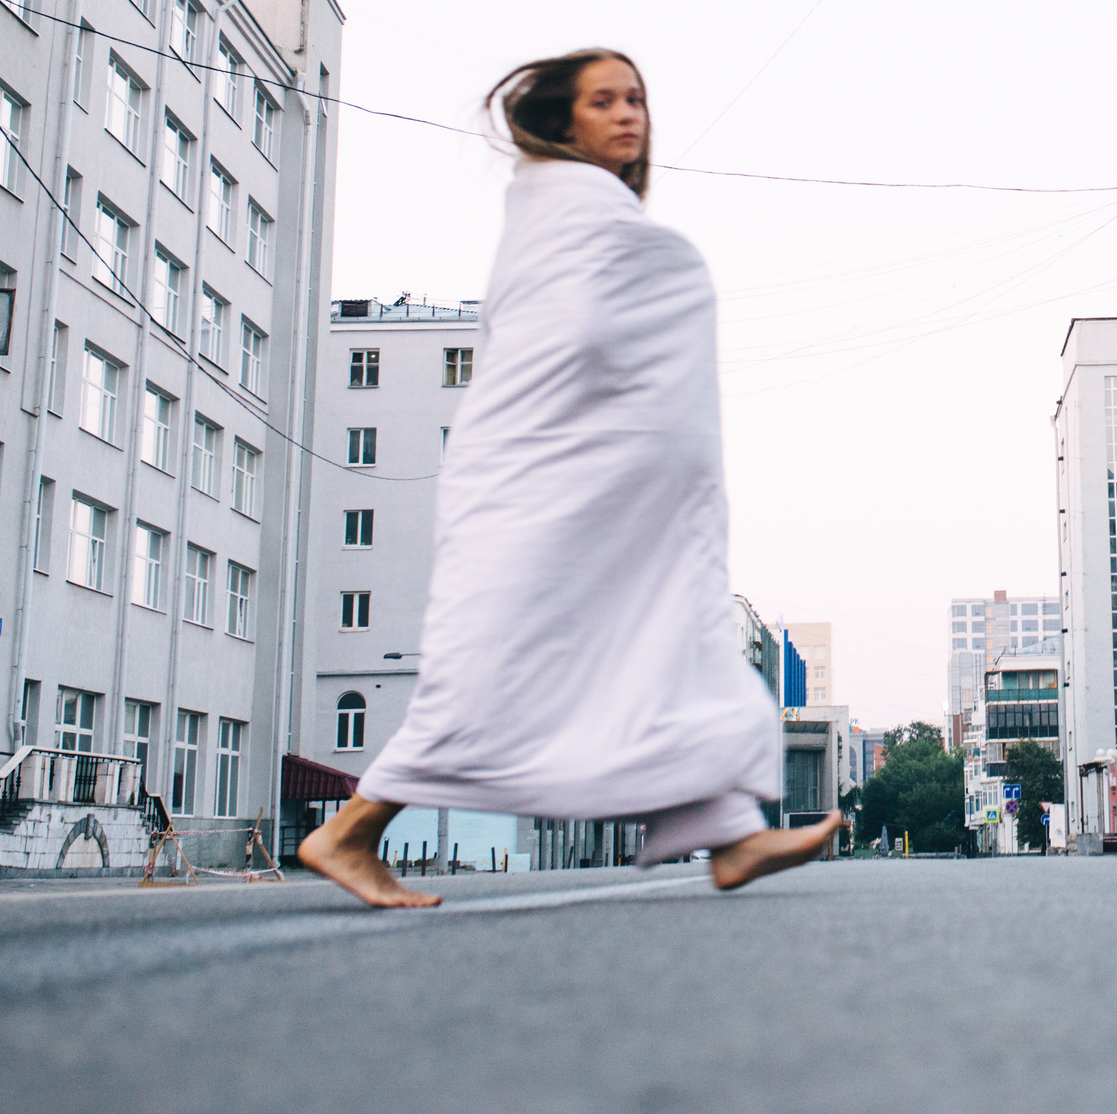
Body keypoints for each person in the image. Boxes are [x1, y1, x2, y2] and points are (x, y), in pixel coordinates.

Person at [300, 49, 837, 907]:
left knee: (671, 635)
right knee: (497, 665)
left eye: (637, 100)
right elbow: (568, 337)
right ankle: (349, 830)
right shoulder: (559, 215)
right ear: (561, 122)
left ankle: (730, 830)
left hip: (609, 486)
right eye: (604, 101)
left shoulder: (590, 216)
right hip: (539, 480)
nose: (628, 115)